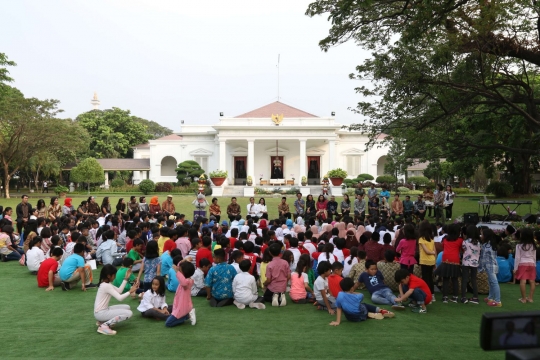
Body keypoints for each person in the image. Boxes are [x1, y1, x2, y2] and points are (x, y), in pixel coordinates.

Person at [94, 264, 139, 335]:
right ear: (109, 276)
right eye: (114, 275)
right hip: (101, 313)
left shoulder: (105, 284)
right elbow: (120, 298)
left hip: (102, 312)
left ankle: (102, 321)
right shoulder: (106, 286)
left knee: (127, 307)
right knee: (129, 313)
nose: (115, 277)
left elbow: (119, 291)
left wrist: (126, 278)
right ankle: (104, 326)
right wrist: (130, 291)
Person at [329, 277, 395, 325]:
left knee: (345, 306)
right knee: (364, 305)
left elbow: (339, 308)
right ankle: (380, 310)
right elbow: (361, 295)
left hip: (350, 318)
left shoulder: (340, 295)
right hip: (361, 314)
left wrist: (337, 321)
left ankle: (369, 315)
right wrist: (353, 292)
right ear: (352, 288)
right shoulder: (358, 296)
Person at [166, 261, 197, 327]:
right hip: (179, 306)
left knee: (168, 323)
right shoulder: (186, 280)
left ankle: (187, 316)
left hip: (182, 307)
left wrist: (177, 272)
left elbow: (183, 282)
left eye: (180, 270)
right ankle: (186, 315)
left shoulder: (188, 282)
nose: (178, 271)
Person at [438, 224, 463, 303]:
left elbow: (443, 247)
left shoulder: (445, 239)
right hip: (455, 260)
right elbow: (462, 249)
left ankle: (445, 297)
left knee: (445, 279)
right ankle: (455, 297)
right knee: (454, 279)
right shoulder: (460, 240)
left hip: (445, 259)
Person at [479, 228, 502, 307]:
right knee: (491, 282)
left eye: (482, 234)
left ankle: (497, 301)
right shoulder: (490, 244)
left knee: (494, 283)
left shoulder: (487, 246)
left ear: (486, 236)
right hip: (492, 266)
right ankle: (490, 297)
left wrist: (480, 267)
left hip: (490, 267)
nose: (481, 236)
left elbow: (483, 258)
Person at [514, 228, 537, 303]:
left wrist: (515, 268)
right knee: (532, 281)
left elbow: (517, 258)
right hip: (532, 264)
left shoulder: (519, 245)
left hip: (522, 264)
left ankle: (523, 299)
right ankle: (530, 298)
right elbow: (534, 257)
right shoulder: (533, 245)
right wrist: (534, 265)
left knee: (523, 281)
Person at [461, 225, 481, 304]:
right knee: (473, 280)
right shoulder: (478, 243)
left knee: (465, 279)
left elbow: (463, 249)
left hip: (466, 262)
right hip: (475, 262)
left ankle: (463, 297)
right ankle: (475, 297)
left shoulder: (465, 242)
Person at [418, 220, 436, 301]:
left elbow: (427, 251)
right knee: (430, 278)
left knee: (425, 279)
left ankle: (427, 295)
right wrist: (434, 260)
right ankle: (432, 295)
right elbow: (435, 252)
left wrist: (431, 252)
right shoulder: (432, 239)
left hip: (425, 261)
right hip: (431, 261)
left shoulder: (421, 239)